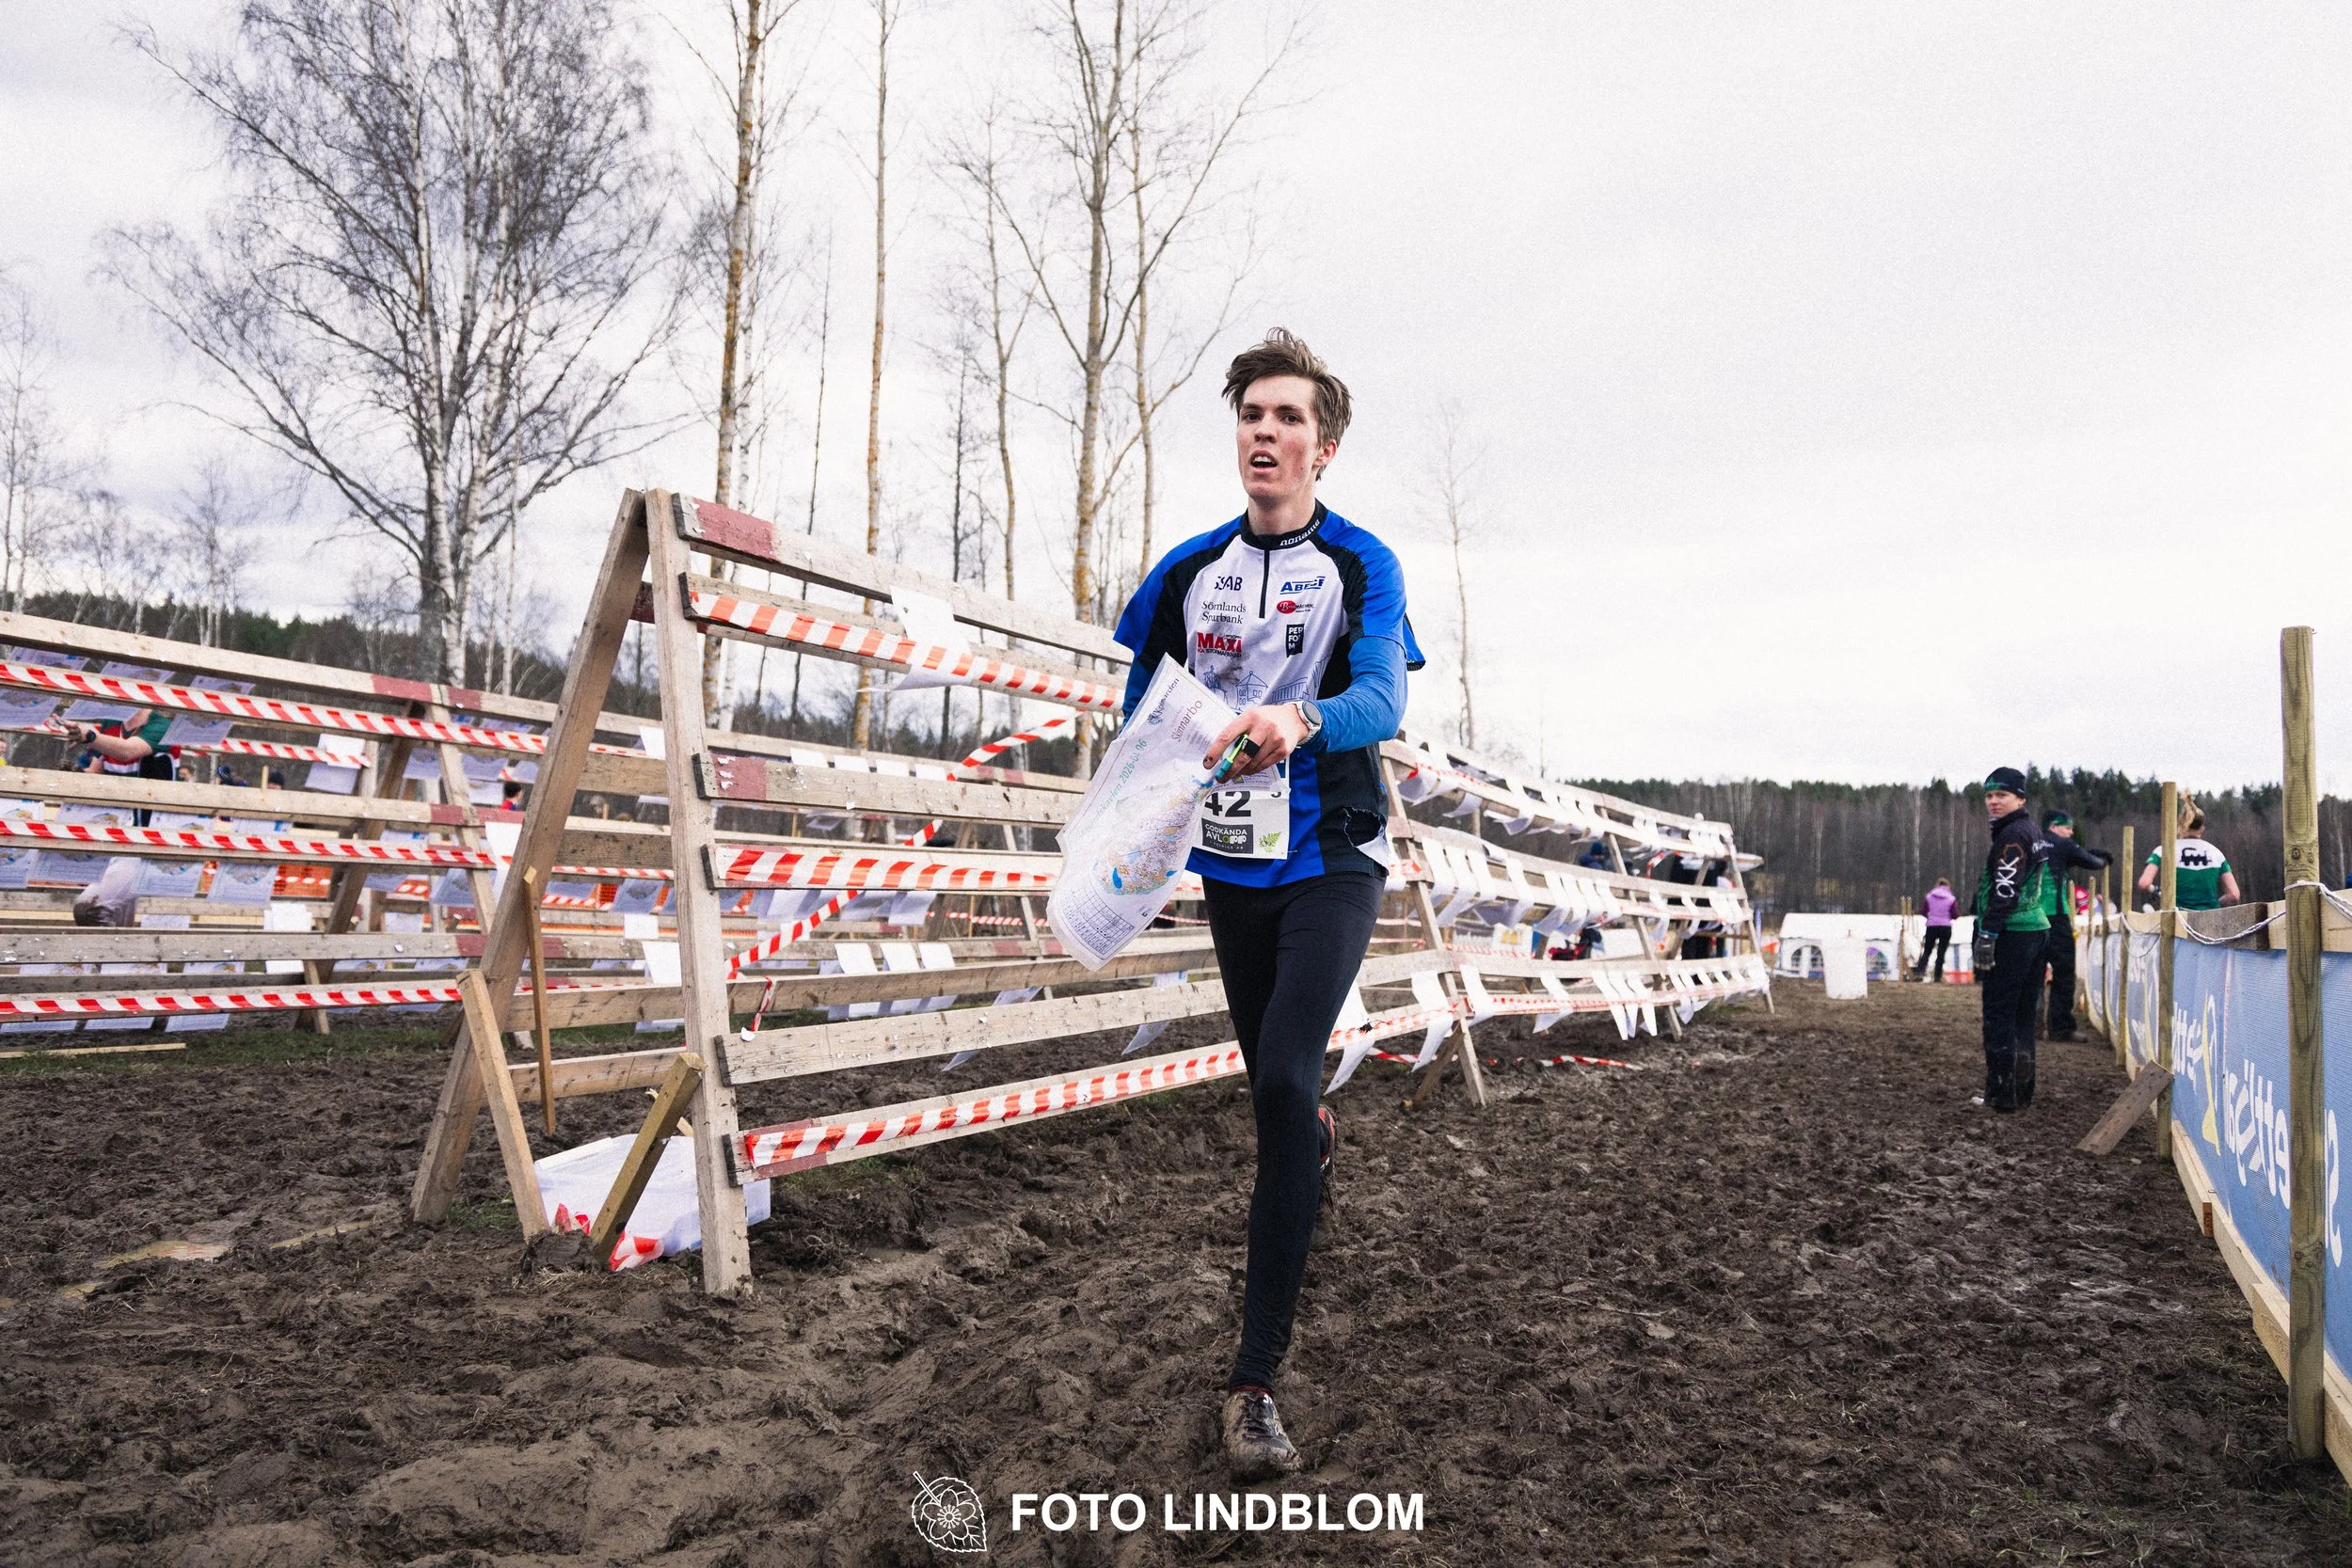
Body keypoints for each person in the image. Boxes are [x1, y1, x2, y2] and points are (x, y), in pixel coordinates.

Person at [1113, 327, 1422, 1481]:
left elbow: (1383, 693)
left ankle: (1252, 1383)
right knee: (1277, 1098)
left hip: (1334, 853)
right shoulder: (1188, 572)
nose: (1265, 430)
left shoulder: (1361, 564)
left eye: (1288, 416)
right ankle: (1315, 1139)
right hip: (1231, 867)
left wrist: (1302, 719)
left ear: (1322, 447)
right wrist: (1123, 823)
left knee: (1287, 1077)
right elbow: (1138, 711)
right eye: (1252, 413)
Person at [1972, 767, 2051, 1112]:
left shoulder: (2013, 836)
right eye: (1989, 796)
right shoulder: (2031, 830)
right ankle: (2022, 1090)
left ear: (2020, 798)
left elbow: (2005, 888)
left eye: (2001, 795)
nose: (1993, 802)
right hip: (2036, 929)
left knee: (1999, 1014)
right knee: (2022, 1015)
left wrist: (1988, 934)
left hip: (2013, 931)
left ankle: (2001, 1095)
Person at [2037, 810, 2111, 1040]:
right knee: (2064, 971)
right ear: (2054, 827)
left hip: (2030, 917)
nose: (2071, 833)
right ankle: (2061, 1027)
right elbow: (2092, 862)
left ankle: (2032, 1025)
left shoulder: (2030, 842)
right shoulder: (2063, 845)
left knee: (2032, 971)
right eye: (2068, 828)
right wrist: (2103, 858)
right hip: (2056, 916)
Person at [2136, 800, 2240, 911]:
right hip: (2209, 918)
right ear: (2202, 828)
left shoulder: (2164, 850)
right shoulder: (2216, 853)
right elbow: (2234, 894)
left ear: (2181, 825)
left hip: (2177, 917)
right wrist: (2214, 904)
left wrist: (2158, 891)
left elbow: (2144, 883)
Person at [1911, 877, 1958, 981]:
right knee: (1941, 952)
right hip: (1945, 927)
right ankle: (1937, 976)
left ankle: (1920, 972)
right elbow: (1955, 914)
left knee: (1927, 950)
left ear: (1937, 885)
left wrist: (1931, 917)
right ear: (1948, 886)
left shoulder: (1929, 897)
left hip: (1931, 926)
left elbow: (1923, 911)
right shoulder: (1951, 899)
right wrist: (1947, 917)